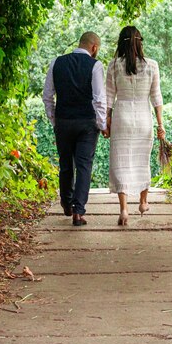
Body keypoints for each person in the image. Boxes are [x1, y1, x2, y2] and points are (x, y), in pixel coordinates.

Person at [43, 31, 108, 226]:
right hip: (87, 123)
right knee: (84, 166)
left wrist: (55, 120)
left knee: (65, 164)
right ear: (94, 47)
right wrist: (102, 124)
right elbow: (99, 99)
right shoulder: (95, 66)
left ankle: (66, 202)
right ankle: (78, 212)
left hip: (63, 121)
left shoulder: (57, 62)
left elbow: (47, 95)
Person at [106, 26, 165, 226]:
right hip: (143, 118)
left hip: (121, 117)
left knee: (120, 162)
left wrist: (106, 120)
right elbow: (157, 98)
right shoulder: (152, 66)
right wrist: (161, 125)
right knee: (142, 160)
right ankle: (143, 202)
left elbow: (108, 97)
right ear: (140, 42)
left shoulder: (114, 65)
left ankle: (123, 210)